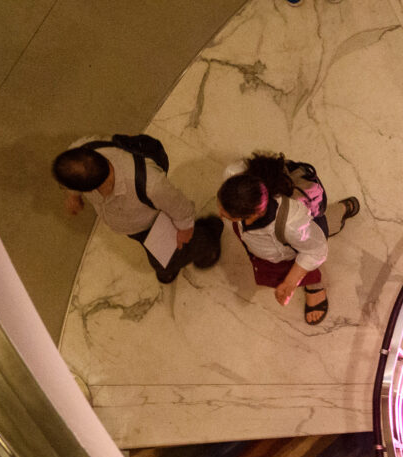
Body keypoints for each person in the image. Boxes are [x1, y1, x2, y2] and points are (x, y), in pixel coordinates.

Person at [52, 136, 221, 284]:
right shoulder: (79, 152)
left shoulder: (150, 185)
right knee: (159, 256)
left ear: (91, 189)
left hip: (153, 225)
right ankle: (169, 263)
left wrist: (186, 229)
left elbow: (181, 207)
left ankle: (208, 239)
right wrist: (74, 196)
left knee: (167, 260)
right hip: (133, 226)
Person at [217, 154, 359, 326]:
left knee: (320, 233)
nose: (220, 214)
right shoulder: (237, 180)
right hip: (282, 239)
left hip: (294, 244)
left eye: (227, 215)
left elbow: (316, 250)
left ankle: (341, 211)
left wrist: (291, 282)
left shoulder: (291, 225)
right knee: (307, 236)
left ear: (255, 213)